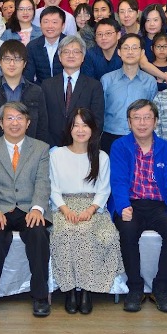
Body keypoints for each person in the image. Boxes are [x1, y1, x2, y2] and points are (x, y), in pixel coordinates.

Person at [0, 102, 52, 318]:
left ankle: (40, 296)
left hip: (29, 208)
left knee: (38, 233)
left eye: (19, 118)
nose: (14, 123)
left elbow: (42, 182)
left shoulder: (41, 148)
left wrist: (37, 209)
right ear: (1, 123)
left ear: (28, 123)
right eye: (9, 118)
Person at [109, 99, 167, 313]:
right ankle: (135, 288)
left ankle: (161, 288)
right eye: (137, 118)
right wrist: (123, 206)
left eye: (147, 118)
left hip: (159, 205)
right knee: (127, 230)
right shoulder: (120, 146)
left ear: (156, 121)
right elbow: (118, 181)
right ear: (129, 122)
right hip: (131, 203)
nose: (142, 123)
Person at [50, 108, 122, 315]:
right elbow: (52, 187)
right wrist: (64, 209)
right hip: (63, 206)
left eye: (85, 125)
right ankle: (70, 290)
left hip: (93, 207)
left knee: (90, 232)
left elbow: (104, 190)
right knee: (64, 232)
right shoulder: (57, 155)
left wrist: (91, 210)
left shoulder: (101, 156)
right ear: (69, 129)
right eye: (76, 125)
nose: (80, 130)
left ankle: (87, 290)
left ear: (93, 129)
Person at [0, 40, 47, 145]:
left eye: (17, 59)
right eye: (7, 59)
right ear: (0, 62)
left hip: (29, 150)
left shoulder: (36, 92)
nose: (12, 64)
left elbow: (42, 128)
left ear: (25, 64)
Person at [40, 35, 104, 147]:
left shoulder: (94, 86)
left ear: (83, 57)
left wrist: (85, 146)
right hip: (52, 147)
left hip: (83, 146)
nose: (71, 55)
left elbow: (97, 121)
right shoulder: (47, 85)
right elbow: (42, 119)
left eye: (76, 52)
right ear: (59, 57)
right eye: (66, 52)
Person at [100, 34, 158, 154]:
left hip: (140, 137)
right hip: (110, 136)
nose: (130, 52)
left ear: (142, 52)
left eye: (134, 48)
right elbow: (100, 111)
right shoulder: (107, 79)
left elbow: (153, 113)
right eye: (126, 48)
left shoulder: (150, 81)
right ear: (119, 52)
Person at [24, 6, 66, 84]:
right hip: (41, 89)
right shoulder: (32, 46)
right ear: (40, 24)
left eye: (54, 22)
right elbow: (28, 77)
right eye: (46, 22)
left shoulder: (70, 45)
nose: (50, 26)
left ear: (63, 25)